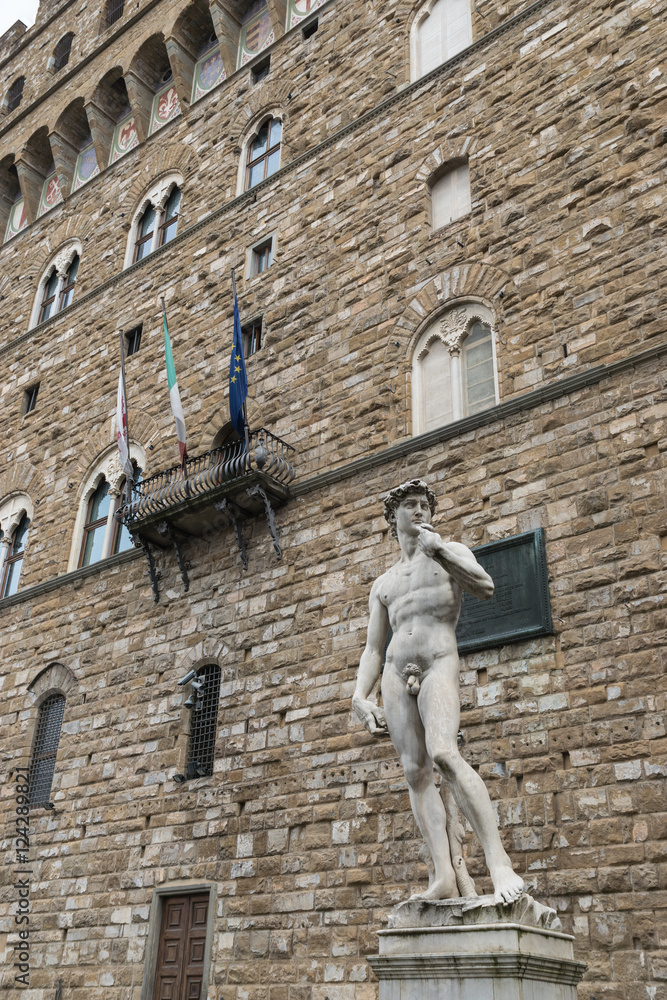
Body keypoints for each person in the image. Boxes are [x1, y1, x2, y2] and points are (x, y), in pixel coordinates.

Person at [352, 479, 525, 905]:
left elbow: (485, 587)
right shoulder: (384, 583)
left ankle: (499, 862)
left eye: (424, 505)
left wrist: (440, 552)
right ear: (394, 517)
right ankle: (444, 875)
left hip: (437, 662)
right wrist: (360, 695)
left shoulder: (450, 553)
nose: (420, 511)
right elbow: (374, 647)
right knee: (415, 773)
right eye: (410, 505)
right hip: (395, 671)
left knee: (445, 753)